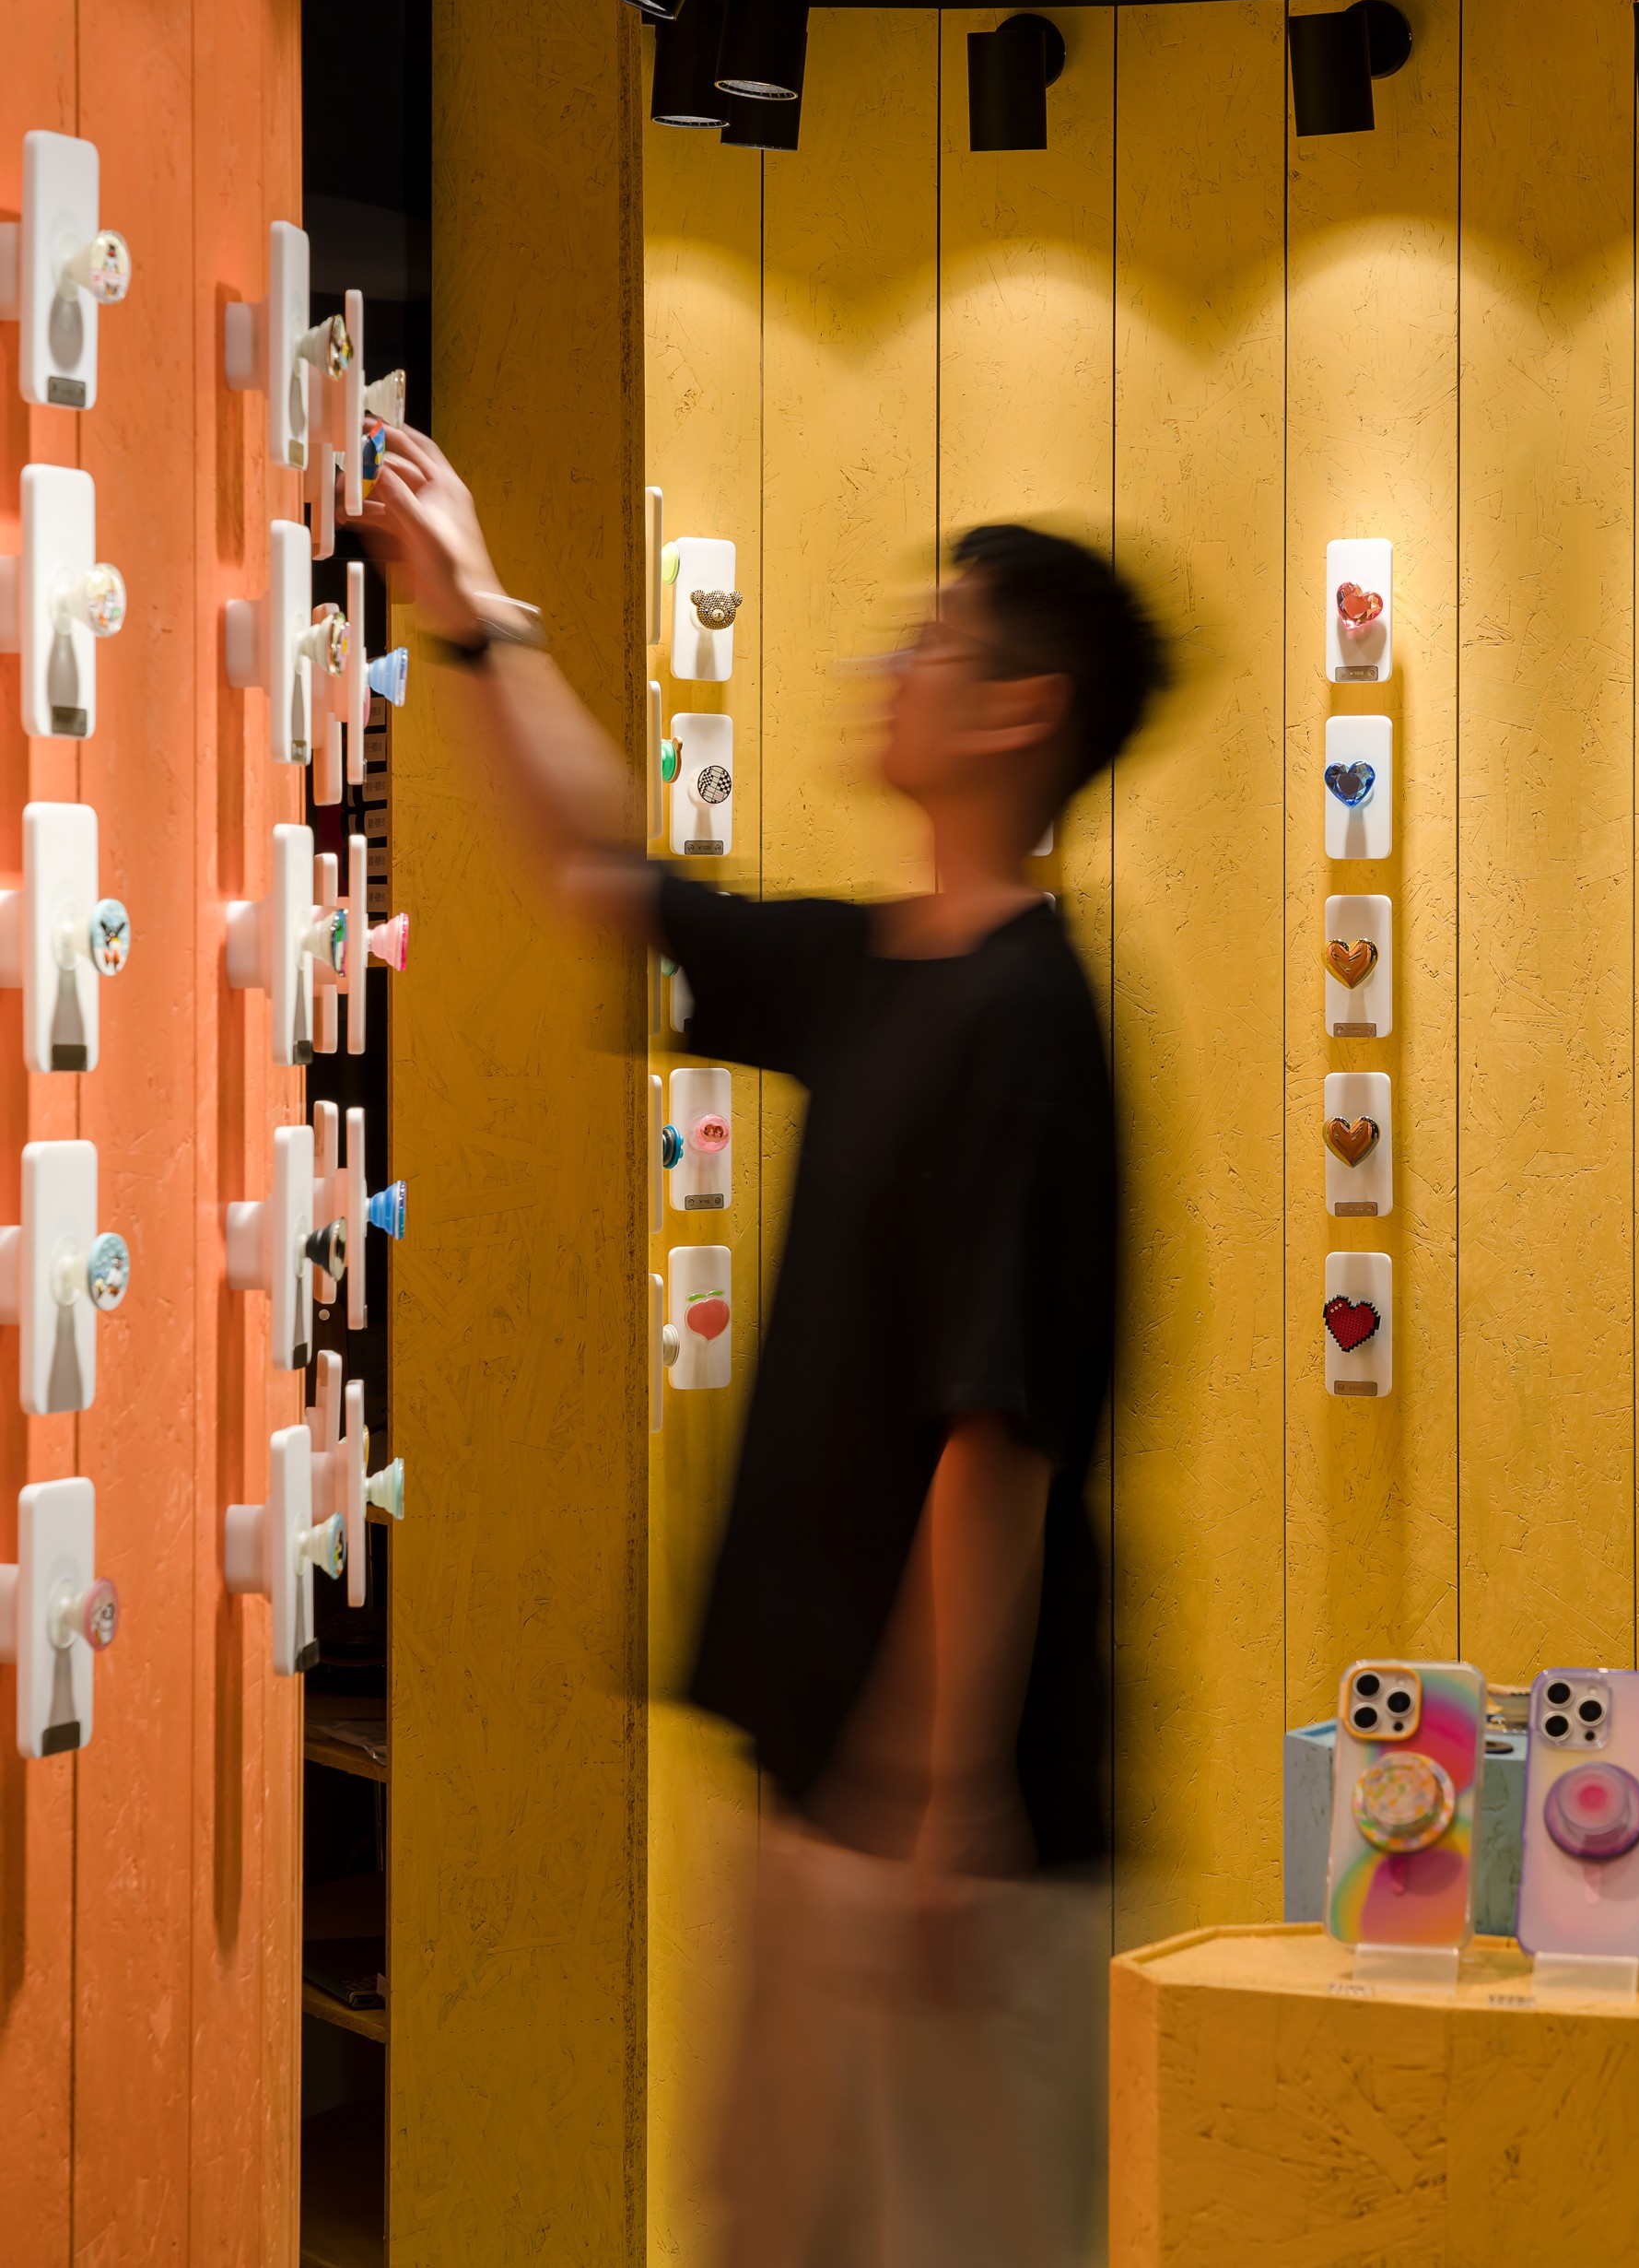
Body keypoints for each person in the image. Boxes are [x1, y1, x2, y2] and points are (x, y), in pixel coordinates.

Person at [363, 427, 1169, 2268]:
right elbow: (607, 879)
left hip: (951, 1837)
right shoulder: (885, 970)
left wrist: (938, 1804)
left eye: (931, 641)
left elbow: (996, 1440)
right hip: (830, 1796)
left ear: (1019, 710)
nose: (886, 665)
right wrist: (479, 620)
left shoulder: (1029, 1029)